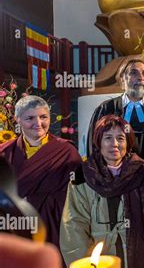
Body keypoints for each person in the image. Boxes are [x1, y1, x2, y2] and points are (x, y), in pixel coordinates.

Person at [61, 115, 144, 268]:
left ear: (128, 142)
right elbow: (74, 228)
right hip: (96, 266)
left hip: (138, 267)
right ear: (98, 142)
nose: (114, 144)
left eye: (120, 138)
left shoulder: (143, 174)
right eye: (108, 138)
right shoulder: (83, 176)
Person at [0, 96, 82, 249]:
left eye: (43, 117)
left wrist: (32, 201)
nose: (38, 124)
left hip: (52, 227)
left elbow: (77, 195)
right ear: (17, 119)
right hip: (11, 229)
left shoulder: (65, 151)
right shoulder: (4, 152)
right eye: (30, 118)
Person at [87, 59, 144, 169]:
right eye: (134, 73)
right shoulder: (105, 109)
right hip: (113, 181)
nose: (140, 77)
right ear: (122, 80)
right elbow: (94, 148)